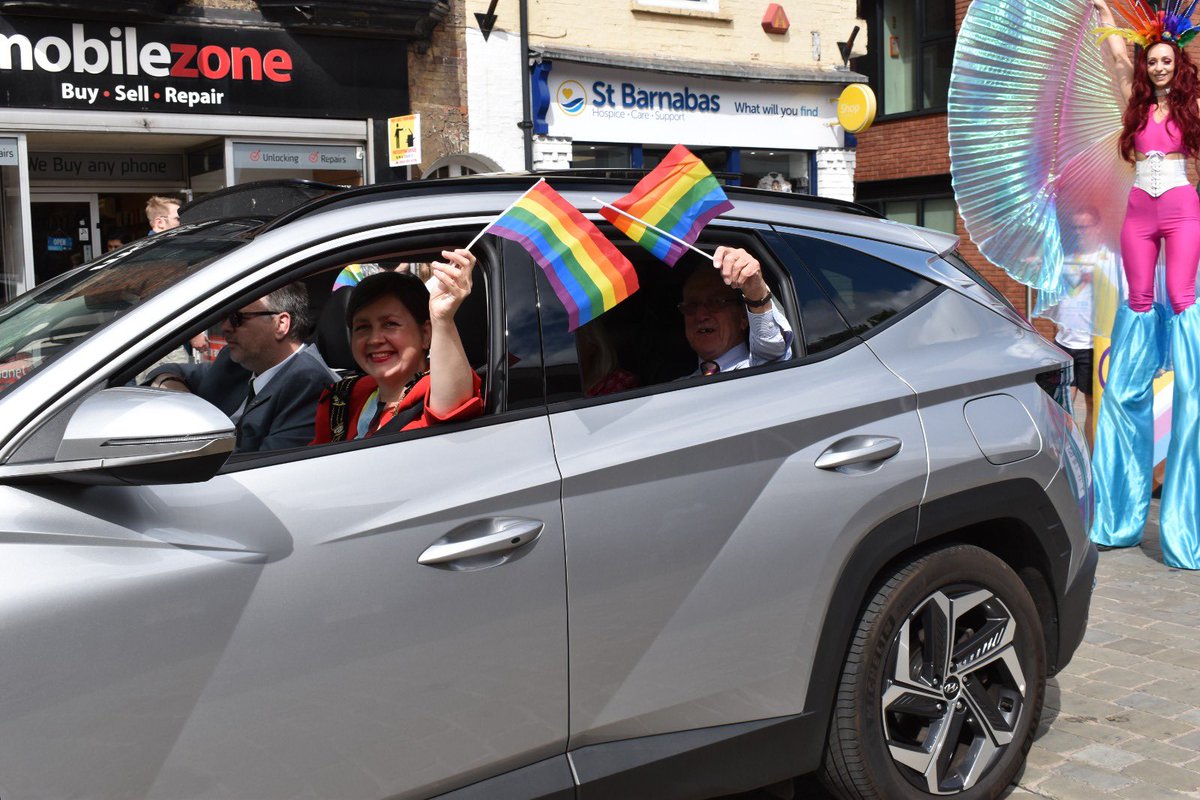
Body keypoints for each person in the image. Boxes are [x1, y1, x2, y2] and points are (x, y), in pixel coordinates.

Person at [1090, 0, 1200, 569]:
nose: (1157, 68)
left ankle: (1184, 523)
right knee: (1136, 308)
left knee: (1183, 304)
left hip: (1181, 210)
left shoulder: (1192, 106)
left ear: (1176, 65)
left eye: (1164, 61)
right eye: (1150, 61)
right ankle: (1119, 513)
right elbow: (1115, 58)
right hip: (1139, 214)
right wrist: (1103, 13)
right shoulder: (1133, 108)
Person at [311, 249, 483, 443]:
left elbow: (451, 407)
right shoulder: (343, 399)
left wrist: (442, 319)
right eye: (362, 327)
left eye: (390, 324)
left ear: (426, 334)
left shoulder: (436, 389)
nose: (375, 339)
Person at [148, 283, 337, 453]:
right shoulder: (240, 362)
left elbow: (267, 468)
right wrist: (169, 383)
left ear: (281, 324)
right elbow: (172, 369)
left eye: (237, 318)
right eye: (224, 317)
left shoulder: (308, 383)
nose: (225, 327)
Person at [1037, 206, 1114, 450]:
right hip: (1065, 342)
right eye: (1075, 227)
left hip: (1092, 346)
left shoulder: (1108, 258)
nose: (1079, 232)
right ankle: (1065, 457)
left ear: (1098, 228)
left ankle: (1092, 460)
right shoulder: (1064, 256)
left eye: (1085, 227)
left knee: (1092, 404)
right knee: (1062, 406)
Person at [679, 245, 792, 376]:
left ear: (743, 317)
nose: (700, 315)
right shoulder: (673, 392)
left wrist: (756, 295)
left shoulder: (764, 369)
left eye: (715, 302)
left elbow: (771, 349)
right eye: (691, 305)